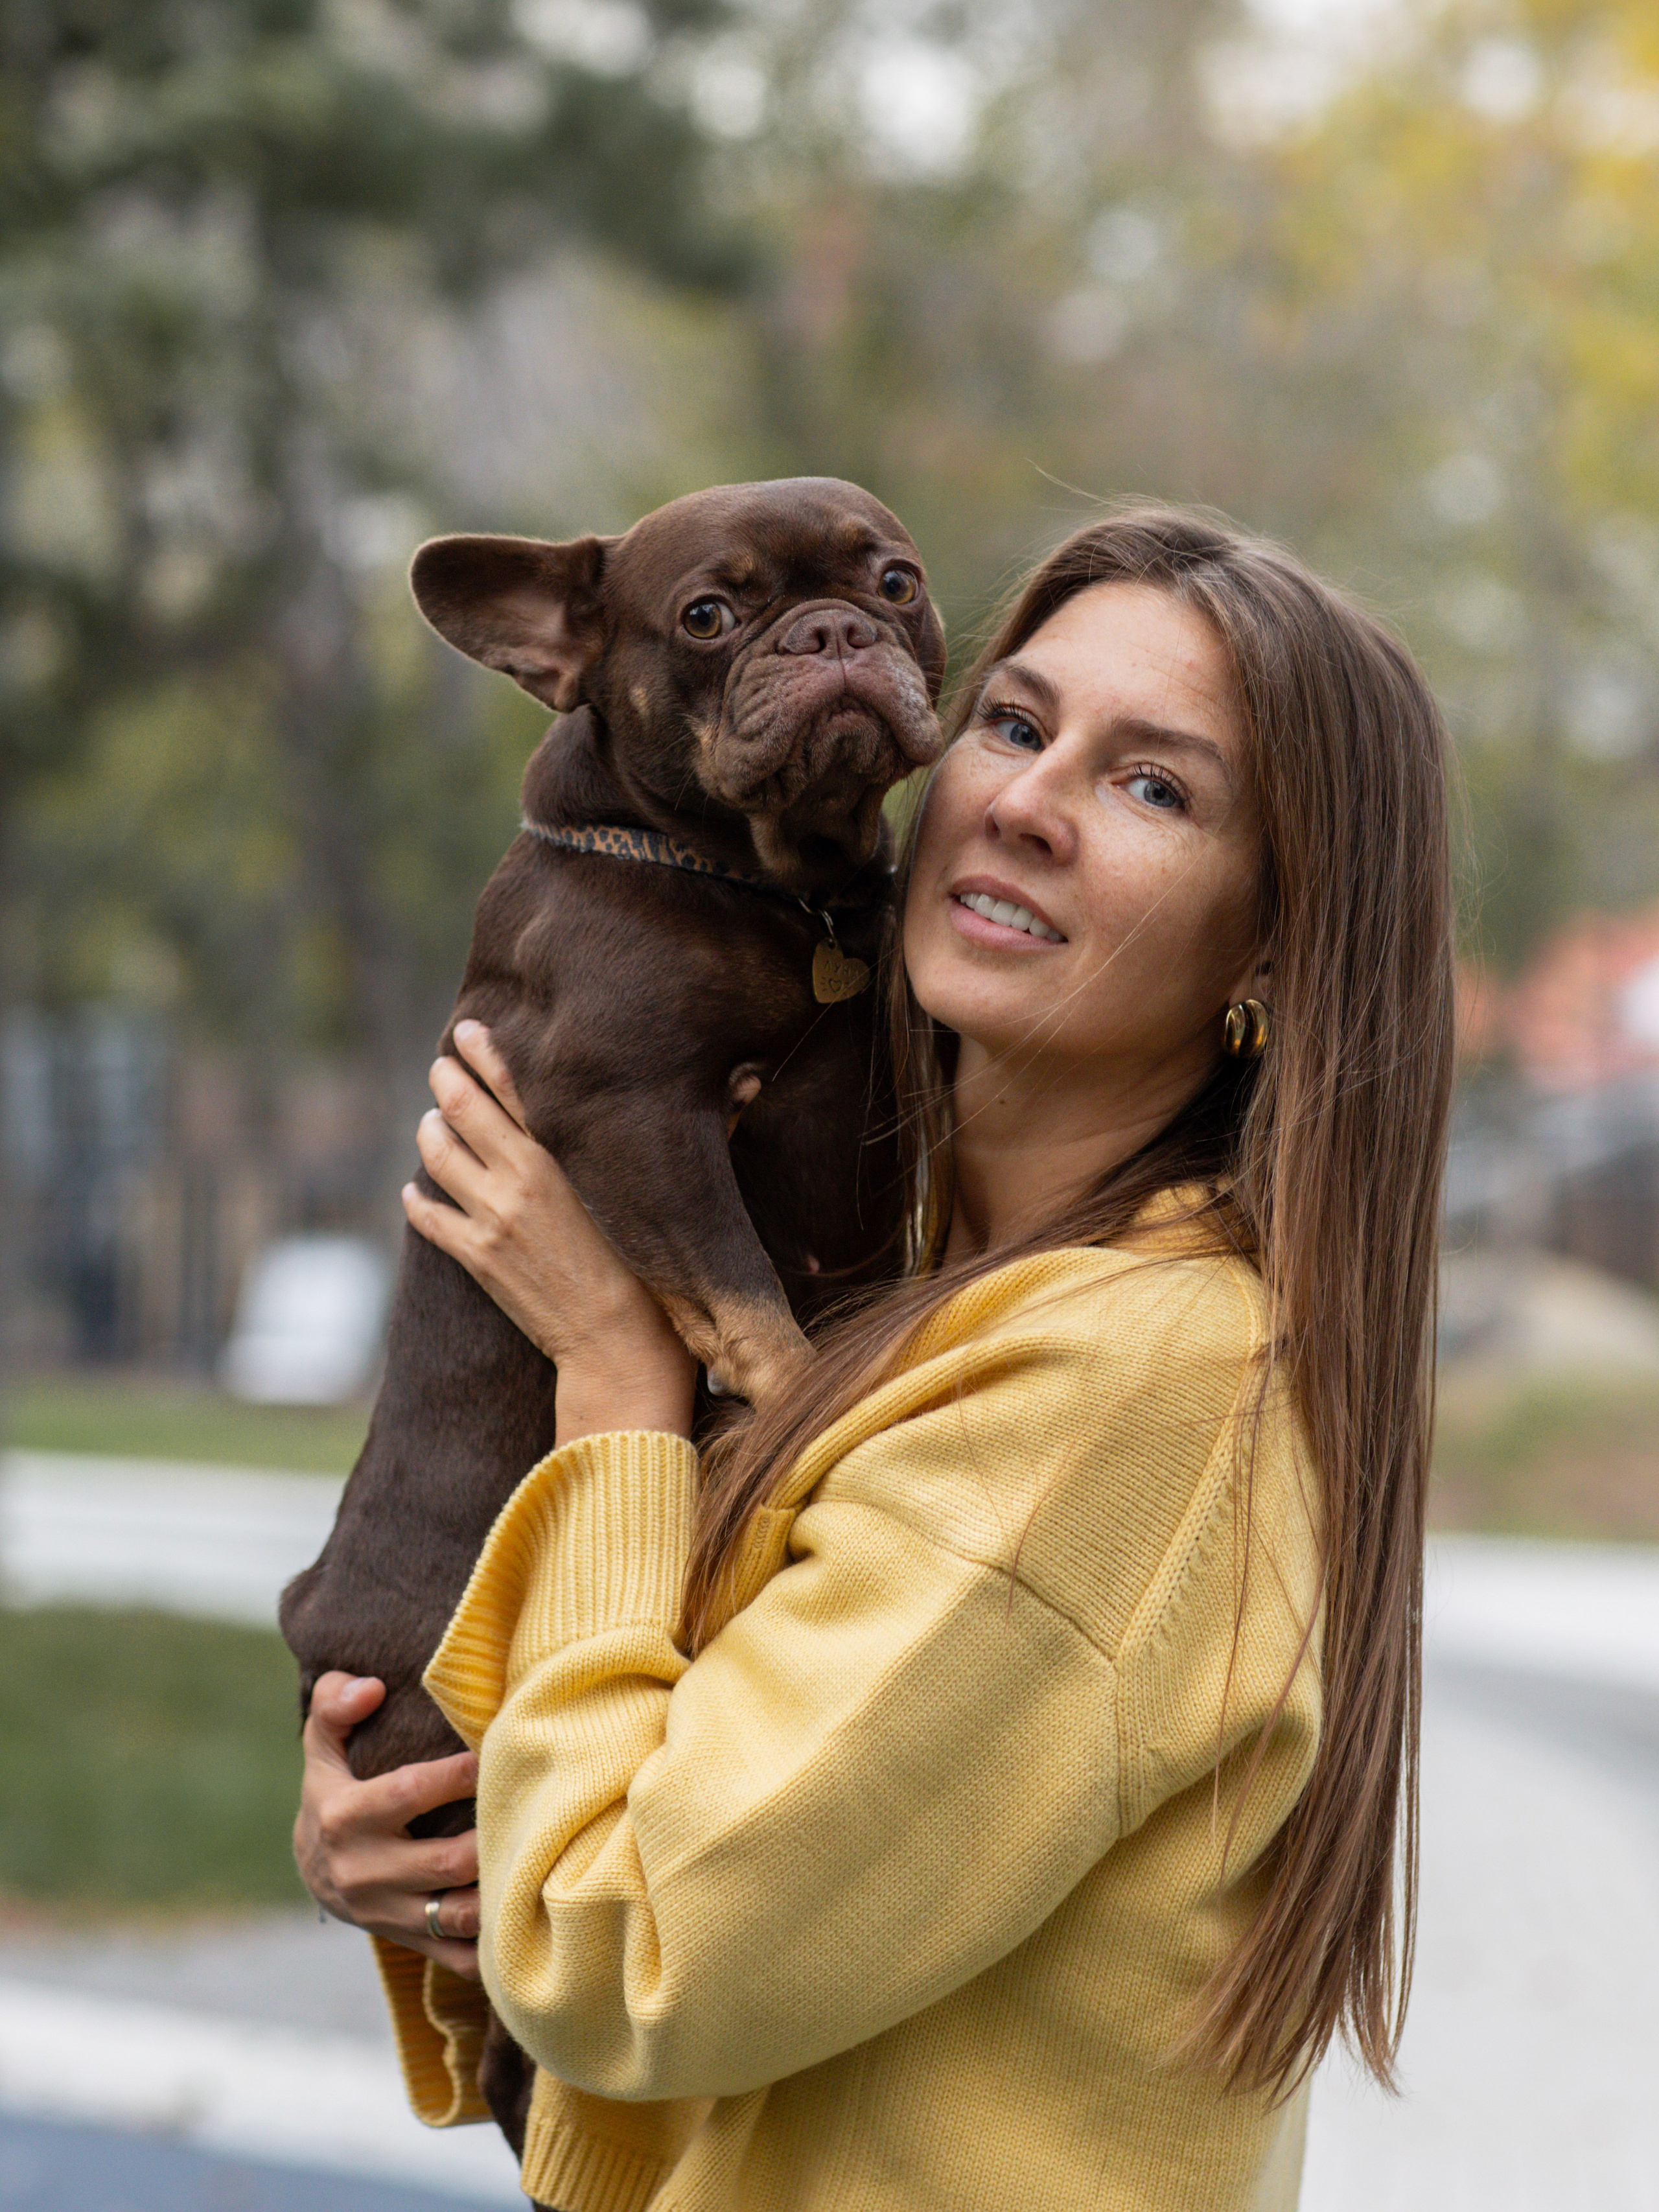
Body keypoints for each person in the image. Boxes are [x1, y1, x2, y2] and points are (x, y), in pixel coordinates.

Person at [294, 506, 1454, 2211]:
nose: (1030, 806)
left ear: (1278, 943)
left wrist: (616, 1383)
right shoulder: (930, 1290)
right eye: (1016, 722)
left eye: (1155, 788)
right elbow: (722, 1870)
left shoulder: (1122, 1384)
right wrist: (443, 1862)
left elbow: (628, 1954)